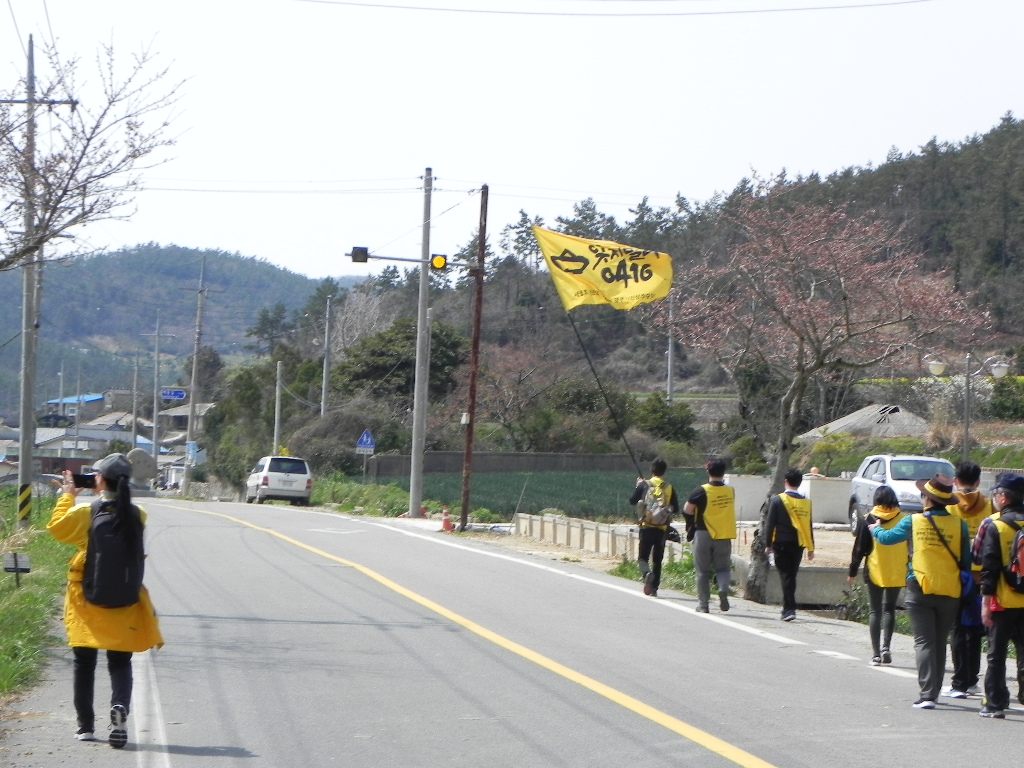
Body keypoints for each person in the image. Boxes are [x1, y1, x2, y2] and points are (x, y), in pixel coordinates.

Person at [47, 454, 163, 747]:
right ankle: (120, 707)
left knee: (84, 664)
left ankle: (85, 726)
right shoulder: (140, 515)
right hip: (125, 598)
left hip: (87, 598)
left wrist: (68, 495)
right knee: (120, 662)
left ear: (99, 480)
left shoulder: (88, 512)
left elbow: (57, 529)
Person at [871, 473, 968, 710]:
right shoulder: (959, 525)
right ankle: (934, 690)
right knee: (939, 641)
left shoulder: (913, 522)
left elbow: (887, 538)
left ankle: (927, 696)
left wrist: (874, 528)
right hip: (950, 589)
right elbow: (966, 560)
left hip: (920, 586)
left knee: (924, 641)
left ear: (927, 499)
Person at [941, 461, 992, 699]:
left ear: (955, 481)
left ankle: (960, 681)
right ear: (979, 482)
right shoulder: (990, 506)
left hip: (958, 576)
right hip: (984, 577)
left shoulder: (950, 506)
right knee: (977, 628)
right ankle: (973, 680)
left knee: (958, 629)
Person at [977, 472, 1024, 719]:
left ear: (1004, 498)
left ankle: (995, 703)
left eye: (996, 494)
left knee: (997, 654)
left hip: (1003, 601)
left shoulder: (997, 526)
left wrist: (985, 603)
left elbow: (990, 569)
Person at [847, 485, 907, 665]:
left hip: (875, 570)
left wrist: (852, 571)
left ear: (877, 501)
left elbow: (860, 549)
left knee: (875, 611)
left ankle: (875, 654)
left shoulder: (869, 520)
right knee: (890, 609)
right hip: (897, 570)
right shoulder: (904, 519)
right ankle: (886, 647)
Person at [683, 459, 736, 613]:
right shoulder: (730, 491)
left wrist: (690, 525)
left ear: (708, 472)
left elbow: (687, 510)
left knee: (702, 571)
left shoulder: (700, 491)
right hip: (724, 535)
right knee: (723, 569)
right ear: (724, 473)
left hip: (703, 533)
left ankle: (704, 604)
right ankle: (723, 589)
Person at [764, 468, 815, 621]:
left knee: (786, 576)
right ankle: (789, 608)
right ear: (799, 483)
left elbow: (770, 523)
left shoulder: (777, 500)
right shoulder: (806, 502)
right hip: (798, 544)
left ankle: (789, 609)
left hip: (781, 543)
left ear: (786, 482)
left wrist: (768, 544)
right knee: (791, 575)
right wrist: (811, 548)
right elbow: (808, 525)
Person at [630, 458, 678, 598]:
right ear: (664, 472)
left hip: (646, 526)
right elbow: (676, 508)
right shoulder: (669, 487)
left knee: (642, 558)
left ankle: (646, 573)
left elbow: (632, 500)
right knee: (657, 559)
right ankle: (655, 588)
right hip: (662, 529)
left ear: (651, 470)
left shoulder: (644, 485)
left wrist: (638, 485)